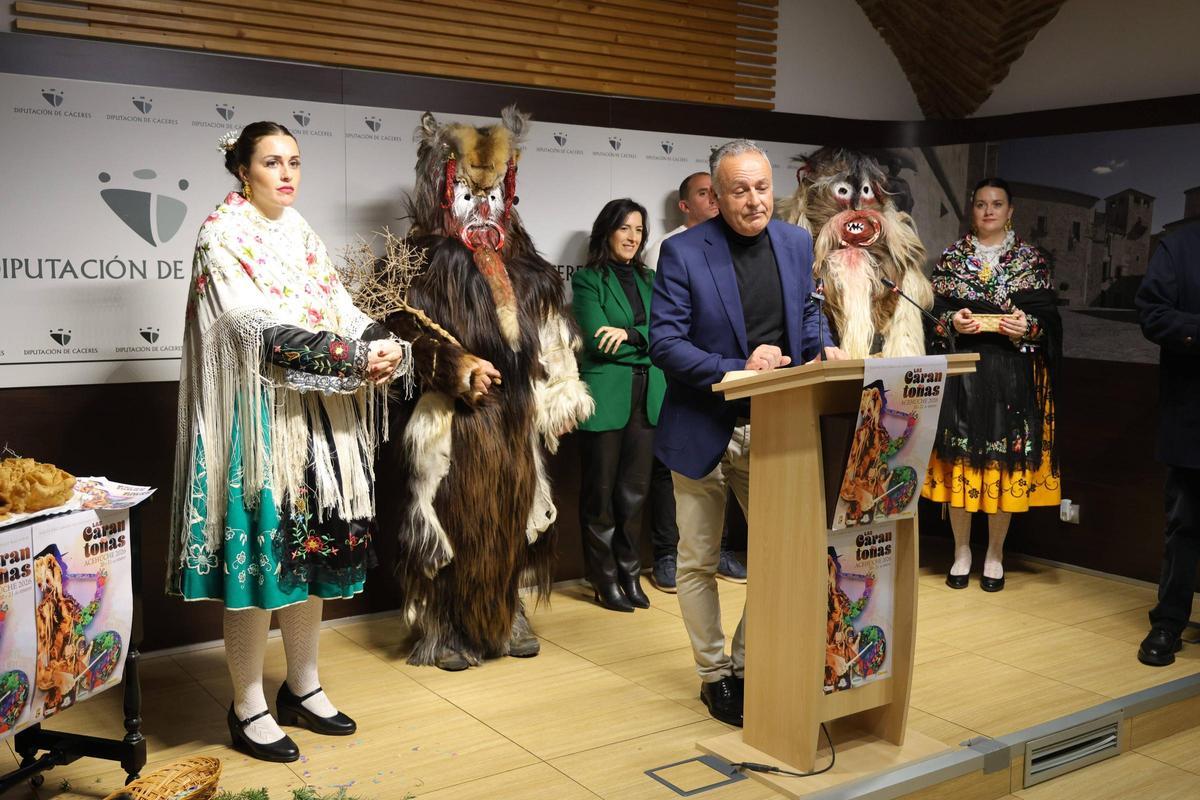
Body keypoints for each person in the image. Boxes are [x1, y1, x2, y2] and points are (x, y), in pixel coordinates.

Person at [167, 122, 495, 762]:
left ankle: (302, 684)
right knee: (261, 571)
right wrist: (351, 355)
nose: (286, 174)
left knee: (309, 562)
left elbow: (338, 306)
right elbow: (248, 326)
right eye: (271, 162)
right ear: (242, 170)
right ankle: (246, 704)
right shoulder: (220, 235)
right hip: (261, 429)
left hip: (318, 424)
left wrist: (379, 344)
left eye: (294, 161)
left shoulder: (299, 231)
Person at [650, 139, 843, 727]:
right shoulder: (683, 253)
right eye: (739, 189)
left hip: (775, 427)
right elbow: (665, 343)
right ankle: (714, 676)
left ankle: (747, 660)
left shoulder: (794, 240)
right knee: (698, 560)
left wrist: (817, 349)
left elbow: (805, 314)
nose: (754, 200)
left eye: (762, 187)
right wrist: (738, 368)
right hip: (703, 427)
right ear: (716, 195)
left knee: (792, 556)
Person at [922, 178, 1062, 592]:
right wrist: (952, 323)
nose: (988, 211)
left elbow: (1048, 321)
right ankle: (961, 551)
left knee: (1004, 466)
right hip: (963, 372)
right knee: (961, 463)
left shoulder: (1031, 260)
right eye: (981, 204)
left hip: (1011, 374)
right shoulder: (951, 258)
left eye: (996, 204)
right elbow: (933, 315)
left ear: (1010, 211)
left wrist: (1027, 326)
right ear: (973, 210)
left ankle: (995, 553)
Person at [642, 172, 747, 592]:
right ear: (686, 204)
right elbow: (665, 334)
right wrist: (735, 366)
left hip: (749, 404)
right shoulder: (671, 251)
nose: (714, 201)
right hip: (691, 389)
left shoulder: (750, 249)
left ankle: (721, 550)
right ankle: (668, 555)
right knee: (680, 488)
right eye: (705, 194)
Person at [572, 198, 665, 612]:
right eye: (624, 228)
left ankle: (630, 572)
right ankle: (603, 578)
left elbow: (668, 336)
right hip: (607, 398)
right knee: (601, 494)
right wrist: (645, 342)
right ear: (607, 231)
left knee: (635, 494)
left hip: (649, 397)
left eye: (639, 230)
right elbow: (595, 340)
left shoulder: (653, 279)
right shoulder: (588, 280)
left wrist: (630, 337)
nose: (632, 237)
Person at [1135, 223, 1200, 666]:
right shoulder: (1179, 247)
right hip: (1193, 415)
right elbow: (1152, 313)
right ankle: (1169, 622)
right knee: (1186, 525)